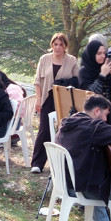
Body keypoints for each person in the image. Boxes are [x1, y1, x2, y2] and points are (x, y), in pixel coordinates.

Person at [31, 33, 79, 173]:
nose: (58, 47)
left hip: (64, 99)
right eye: (55, 44)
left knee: (64, 129)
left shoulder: (71, 60)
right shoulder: (44, 59)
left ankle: (63, 165)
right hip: (47, 97)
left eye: (61, 45)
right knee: (44, 129)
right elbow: (37, 81)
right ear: (52, 45)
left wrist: (62, 83)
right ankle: (37, 163)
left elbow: (78, 80)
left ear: (65, 46)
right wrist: (38, 99)